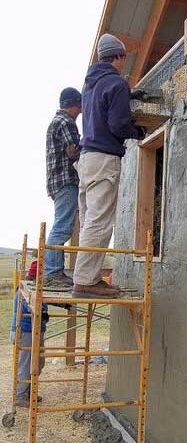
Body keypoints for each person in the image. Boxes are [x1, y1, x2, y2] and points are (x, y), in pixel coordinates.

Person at [72, 34, 146, 299]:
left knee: (90, 219)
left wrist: (129, 96)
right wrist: (137, 131)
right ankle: (85, 281)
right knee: (100, 222)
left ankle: (85, 277)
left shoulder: (91, 84)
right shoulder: (116, 84)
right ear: (120, 57)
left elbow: (105, 111)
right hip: (104, 159)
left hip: (87, 159)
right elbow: (117, 125)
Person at [45, 87, 82, 291]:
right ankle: (52, 273)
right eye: (80, 107)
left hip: (56, 182)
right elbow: (72, 152)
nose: (80, 112)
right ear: (75, 105)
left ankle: (51, 271)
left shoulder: (56, 121)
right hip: (66, 180)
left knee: (60, 225)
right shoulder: (66, 122)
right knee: (62, 227)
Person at [10, 290, 48, 407]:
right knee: (26, 364)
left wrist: (65, 304)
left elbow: (48, 299)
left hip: (36, 330)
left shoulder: (40, 290)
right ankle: (20, 395)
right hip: (26, 330)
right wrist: (42, 311)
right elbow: (29, 305)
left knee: (39, 363)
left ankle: (30, 391)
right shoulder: (25, 290)